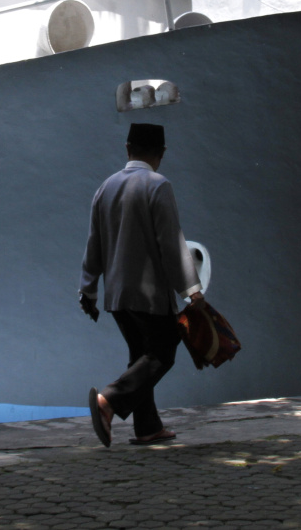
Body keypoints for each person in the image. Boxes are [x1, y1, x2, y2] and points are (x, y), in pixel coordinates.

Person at [79, 123, 203, 448]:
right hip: (148, 295)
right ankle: (108, 402)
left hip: (117, 295)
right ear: (161, 153)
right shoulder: (158, 186)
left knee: (140, 357)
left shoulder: (105, 188)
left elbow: (94, 244)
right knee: (163, 352)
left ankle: (147, 427)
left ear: (127, 148)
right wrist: (192, 290)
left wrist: (88, 289)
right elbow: (172, 244)